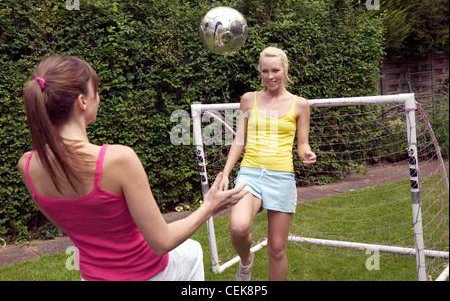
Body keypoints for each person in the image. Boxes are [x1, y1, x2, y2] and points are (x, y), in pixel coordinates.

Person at [17, 55, 246, 281]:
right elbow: (162, 242)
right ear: (82, 101)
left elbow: (80, 224)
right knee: (193, 252)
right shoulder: (118, 159)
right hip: (147, 274)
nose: (98, 98)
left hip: (92, 277)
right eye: (95, 90)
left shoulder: (27, 165)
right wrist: (210, 206)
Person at [219, 47, 317, 281]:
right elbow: (239, 139)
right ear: (260, 72)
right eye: (265, 71)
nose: (270, 76)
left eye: (275, 70)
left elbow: (302, 145)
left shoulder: (300, 104)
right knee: (239, 227)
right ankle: (246, 261)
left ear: (285, 70)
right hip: (250, 173)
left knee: (277, 249)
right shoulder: (248, 99)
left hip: (282, 177)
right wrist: (225, 173)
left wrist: (307, 155)